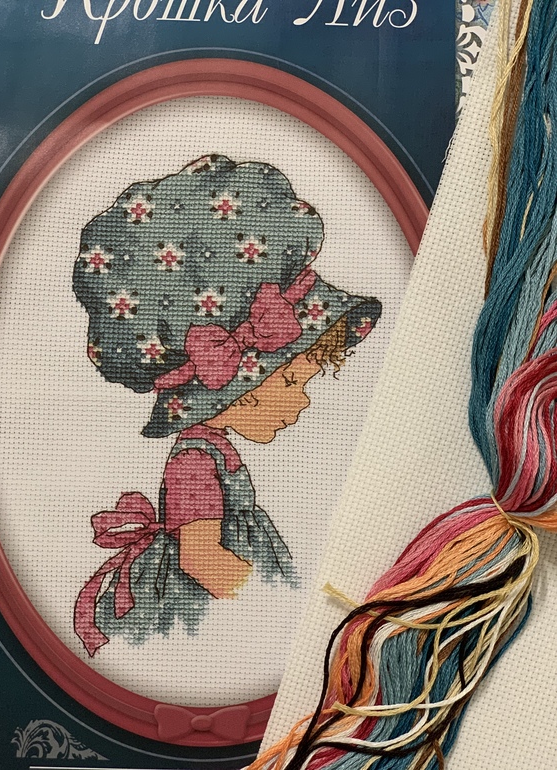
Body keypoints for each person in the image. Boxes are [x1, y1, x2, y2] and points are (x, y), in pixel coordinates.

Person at [72, 154, 381, 656]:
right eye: (293, 381)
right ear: (236, 384)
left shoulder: (212, 450)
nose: (302, 402)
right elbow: (200, 559)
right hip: (205, 612)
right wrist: (270, 606)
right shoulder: (195, 461)